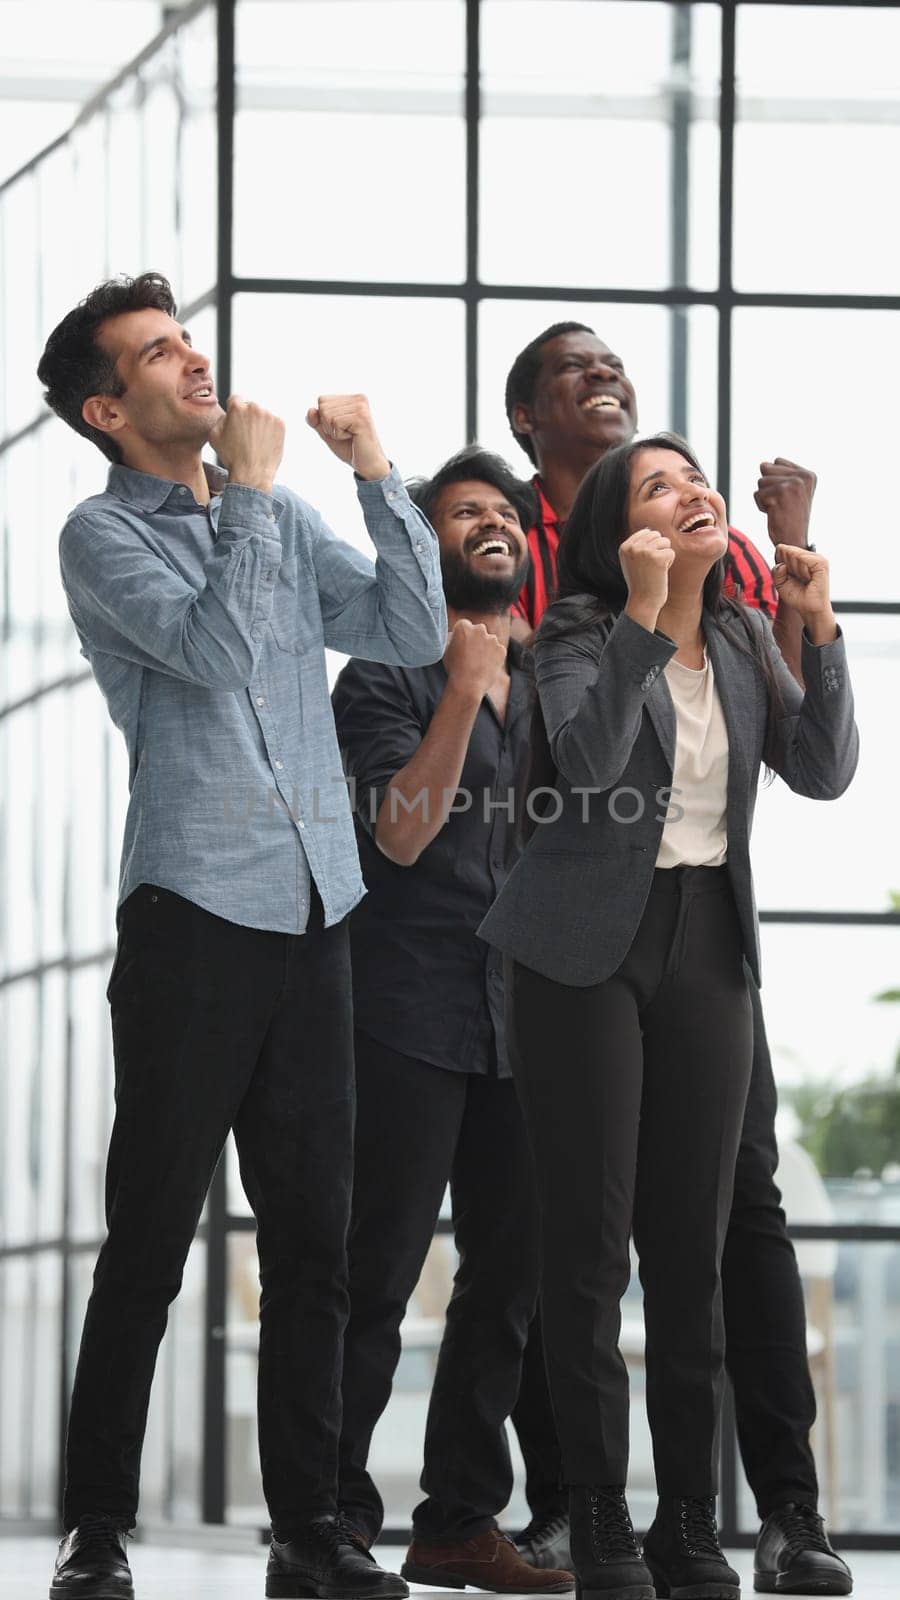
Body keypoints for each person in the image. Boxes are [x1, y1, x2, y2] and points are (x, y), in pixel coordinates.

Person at [37, 271, 447, 1600]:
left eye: (189, 338)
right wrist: (262, 498)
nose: (193, 360)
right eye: (160, 353)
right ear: (110, 407)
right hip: (194, 922)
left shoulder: (270, 509)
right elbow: (213, 654)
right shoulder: (102, 539)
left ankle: (309, 1533)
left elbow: (413, 625)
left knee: (315, 1247)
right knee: (151, 1237)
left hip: (318, 910)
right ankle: (98, 1531)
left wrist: (375, 471)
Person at [503, 324, 854, 1599]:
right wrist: (649, 613)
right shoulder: (579, 635)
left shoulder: (754, 643)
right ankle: (599, 1512)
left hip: (709, 936)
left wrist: (822, 625)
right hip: (579, 948)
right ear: (618, 531)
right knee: (590, 1243)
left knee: (692, 1247)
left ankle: (691, 1522)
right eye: (659, 484)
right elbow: (588, 770)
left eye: (694, 475)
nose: (692, 490)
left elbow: (821, 770)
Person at [331, 447, 573, 1594]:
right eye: (461, 511)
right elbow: (400, 834)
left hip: (529, 1016)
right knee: (375, 1270)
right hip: (406, 1008)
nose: (490, 521)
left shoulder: (557, 682)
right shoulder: (382, 674)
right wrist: (465, 684)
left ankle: (459, 1522)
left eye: (503, 511)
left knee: (510, 1278)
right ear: (423, 544)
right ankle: (328, 1518)